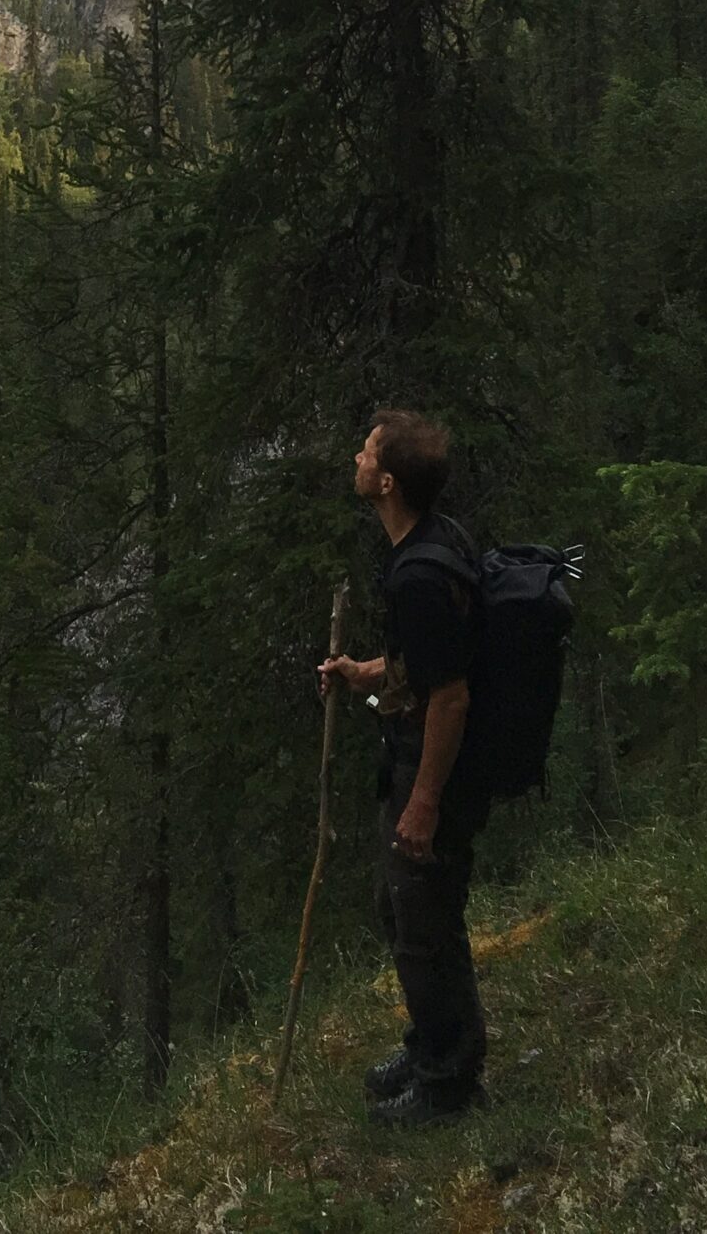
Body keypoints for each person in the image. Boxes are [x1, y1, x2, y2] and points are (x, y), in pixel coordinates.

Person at [317, 409, 490, 1125]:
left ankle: (448, 1084)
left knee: (422, 920)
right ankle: (433, 1046)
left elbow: (450, 697)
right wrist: (366, 672)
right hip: (419, 752)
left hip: (433, 763)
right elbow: (429, 664)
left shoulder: (418, 573)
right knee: (408, 909)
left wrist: (424, 803)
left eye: (365, 452)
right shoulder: (428, 542)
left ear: (385, 481)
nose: (355, 458)